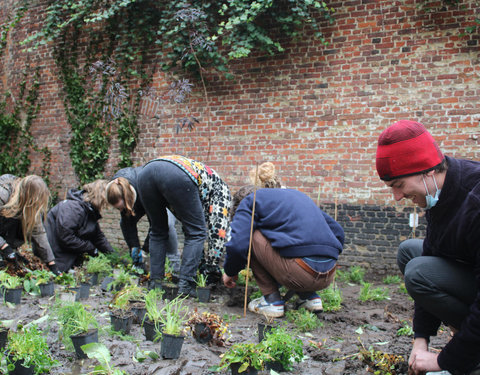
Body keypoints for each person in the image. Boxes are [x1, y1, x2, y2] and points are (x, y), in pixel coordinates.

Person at [375, 120, 480, 375]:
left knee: (419, 272)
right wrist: (420, 339)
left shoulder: (475, 200)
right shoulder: (440, 192)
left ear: (427, 171)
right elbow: (433, 252)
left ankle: (472, 357)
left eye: (399, 185)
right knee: (411, 252)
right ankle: (467, 344)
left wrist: (445, 361)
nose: (397, 197)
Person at [222, 184, 344, 318]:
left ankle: (272, 301)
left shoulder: (249, 201)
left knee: (252, 235)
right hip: (328, 274)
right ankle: (309, 298)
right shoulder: (296, 196)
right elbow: (338, 232)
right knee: (285, 243)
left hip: (298, 273)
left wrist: (230, 271)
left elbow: (238, 245)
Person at [120, 155, 231, 295]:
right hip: (176, 175)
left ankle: (155, 284)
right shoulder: (223, 192)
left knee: (158, 231)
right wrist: (212, 267)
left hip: (145, 174)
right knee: (197, 232)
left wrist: (201, 262)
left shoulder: (203, 193)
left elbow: (189, 229)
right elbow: (217, 234)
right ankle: (185, 286)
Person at [106, 167, 181, 274]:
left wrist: (145, 249)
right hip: (136, 198)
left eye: (121, 207)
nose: (120, 210)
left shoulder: (145, 188)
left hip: (160, 198)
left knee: (167, 224)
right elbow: (128, 223)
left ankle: (175, 265)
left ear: (127, 198)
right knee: (124, 223)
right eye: (118, 208)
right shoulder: (116, 188)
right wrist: (134, 246)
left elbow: (156, 224)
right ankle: (138, 265)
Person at [46, 179, 114, 272]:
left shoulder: (89, 210)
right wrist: (90, 248)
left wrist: (113, 255)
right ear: (100, 197)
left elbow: (98, 236)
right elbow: (66, 237)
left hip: (69, 257)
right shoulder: (73, 208)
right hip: (58, 257)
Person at [0, 174, 60, 274]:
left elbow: (38, 233)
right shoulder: (3, 194)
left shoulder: (28, 204)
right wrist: (4, 247)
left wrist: (51, 263)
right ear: (29, 197)